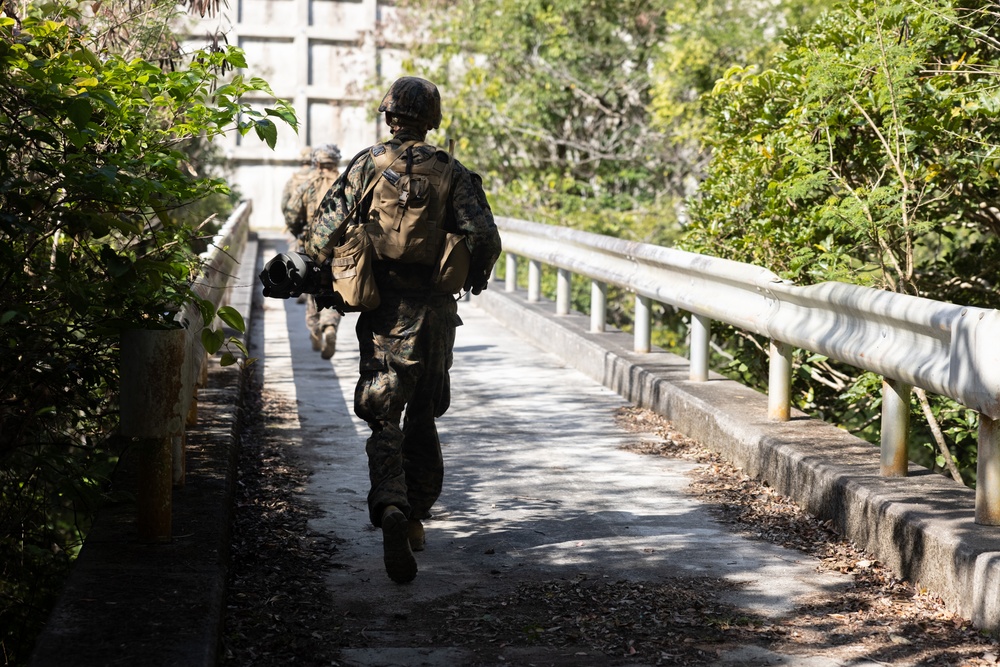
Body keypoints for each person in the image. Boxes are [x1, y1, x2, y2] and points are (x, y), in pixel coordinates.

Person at [305, 76, 502, 584]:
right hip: (434, 312)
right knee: (424, 413)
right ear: (431, 118)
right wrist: (472, 276)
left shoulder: (365, 165)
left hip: (381, 309)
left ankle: (390, 504)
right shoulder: (452, 172)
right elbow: (484, 236)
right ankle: (414, 516)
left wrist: (326, 278)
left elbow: (321, 234)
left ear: (389, 116)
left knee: (382, 412)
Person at [299, 144, 344, 359]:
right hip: (340, 247)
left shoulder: (310, 183)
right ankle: (330, 327)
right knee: (335, 290)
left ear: (317, 162)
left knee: (312, 289)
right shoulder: (347, 182)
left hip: (313, 247)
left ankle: (315, 331)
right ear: (337, 162)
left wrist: (299, 232)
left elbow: (291, 212)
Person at [280, 147, 315, 305]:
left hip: (297, 225)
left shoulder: (293, 179)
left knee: (294, 258)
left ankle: (296, 288)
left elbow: (284, 203)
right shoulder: (318, 177)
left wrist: (290, 223)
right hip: (316, 225)